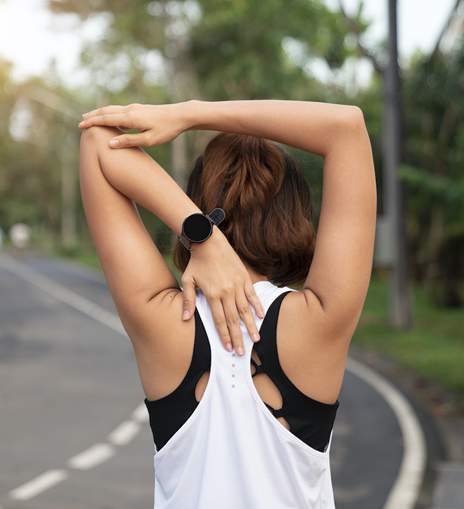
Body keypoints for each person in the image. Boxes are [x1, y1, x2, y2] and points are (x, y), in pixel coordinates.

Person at [78, 100, 375, 509]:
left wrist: (201, 234)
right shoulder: (320, 318)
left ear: (196, 201)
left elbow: (97, 138)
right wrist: (191, 114)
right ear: (293, 213)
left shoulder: (160, 315)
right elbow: (346, 127)